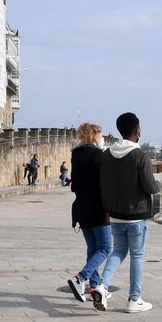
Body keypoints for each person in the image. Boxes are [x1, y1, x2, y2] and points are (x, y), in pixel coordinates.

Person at [92, 112, 162, 313]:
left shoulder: (106, 155)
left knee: (118, 251)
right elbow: (149, 186)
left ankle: (102, 286)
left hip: (115, 215)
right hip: (136, 216)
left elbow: (102, 185)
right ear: (137, 130)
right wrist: (159, 185)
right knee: (137, 255)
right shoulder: (140, 155)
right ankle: (134, 299)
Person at [68, 124, 110, 304]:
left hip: (81, 208)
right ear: (94, 136)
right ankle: (80, 278)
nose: (102, 138)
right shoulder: (99, 156)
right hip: (98, 208)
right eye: (100, 135)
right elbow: (105, 185)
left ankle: (94, 287)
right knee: (106, 248)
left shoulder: (75, 155)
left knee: (93, 249)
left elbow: (75, 184)